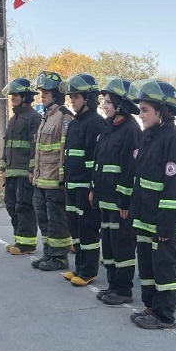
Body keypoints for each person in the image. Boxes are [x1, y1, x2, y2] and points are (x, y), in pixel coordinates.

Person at [128, 79, 176, 329]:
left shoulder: (173, 140)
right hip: (146, 219)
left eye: (145, 110)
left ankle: (164, 316)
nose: (141, 115)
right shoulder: (148, 137)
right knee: (148, 266)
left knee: (165, 269)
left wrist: (167, 225)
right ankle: (151, 307)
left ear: (162, 112)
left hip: (165, 223)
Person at [90, 76, 141, 305]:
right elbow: (98, 162)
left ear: (121, 104)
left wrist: (124, 201)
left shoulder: (131, 130)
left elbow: (130, 170)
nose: (105, 105)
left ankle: (123, 290)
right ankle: (112, 285)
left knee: (122, 248)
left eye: (109, 101)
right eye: (104, 101)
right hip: (105, 201)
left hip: (119, 205)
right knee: (109, 248)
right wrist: (94, 189)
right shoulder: (109, 127)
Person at [60, 74, 108, 287]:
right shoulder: (75, 123)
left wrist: (92, 188)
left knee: (88, 230)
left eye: (76, 96)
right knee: (76, 229)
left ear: (89, 98)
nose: (72, 100)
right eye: (71, 96)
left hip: (85, 188)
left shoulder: (96, 124)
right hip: (72, 185)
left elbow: (95, 161)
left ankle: (88, 271)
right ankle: (79, 267)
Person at [29, 71, 74, 271]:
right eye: (42, 92)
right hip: (41, 180)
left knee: (57, 221)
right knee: (44, 220)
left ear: (56, 94)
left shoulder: (64, 117)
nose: (42, 95)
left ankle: (59, 257)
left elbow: (65, 151)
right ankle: (48, 253)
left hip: (55, 181)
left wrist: (62, 179)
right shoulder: (46, 117)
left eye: (46, 92)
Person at [0, 78, 42, 255]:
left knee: (24, 206)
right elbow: (7, 144)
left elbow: (35, 147)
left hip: (25, 173)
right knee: (11, 205)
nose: (12, 98)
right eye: (11, 95)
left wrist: (32, 170)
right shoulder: (14, 119)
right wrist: (3, 168)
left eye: (15, 95)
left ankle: (27, 244)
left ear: (25, 96)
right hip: (11, 172)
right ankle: (19, 239)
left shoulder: (34, 118)